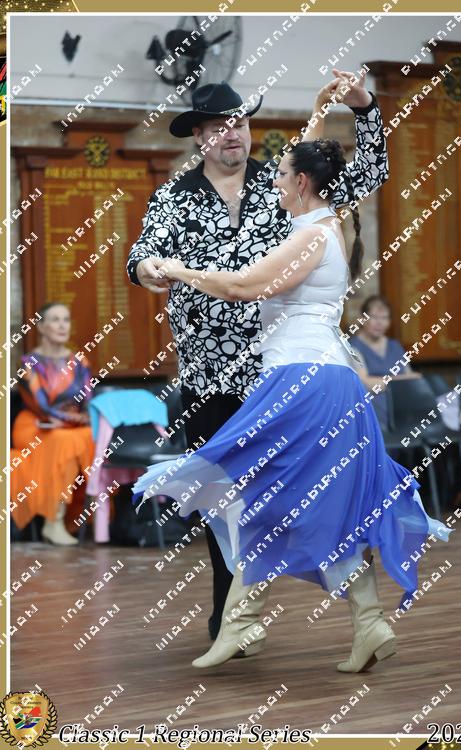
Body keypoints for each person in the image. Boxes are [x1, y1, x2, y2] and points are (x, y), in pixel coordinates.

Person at [132, 138, 451, 673]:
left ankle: (240, 621)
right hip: (324, 379)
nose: (273, 181)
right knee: (317, 502)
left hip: (306, 380)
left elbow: (241, 286)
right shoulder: (323, 227)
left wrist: (179, 270)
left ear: (301, 182)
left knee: (264, 492)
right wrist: (321, 111)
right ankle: (368, 621)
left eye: (280, 174)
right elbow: (309, 158)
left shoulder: (311, 236)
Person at [126, 73, 390, 646]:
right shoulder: (173, 196)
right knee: (221, 498)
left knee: (310, 491)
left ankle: (355, 614)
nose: (233, 134)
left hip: (277, 375)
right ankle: (233, 619)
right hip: (207, 377)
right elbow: (143, 255)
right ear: (199, 137)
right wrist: (146, 268)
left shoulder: (285, 184)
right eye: (219, 126)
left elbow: (367, 174)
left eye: (240, 123)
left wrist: (365, 107)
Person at [10, 302, 95, 544]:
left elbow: (87, 402)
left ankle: (73, 520)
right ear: (41, 326)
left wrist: (79, 419)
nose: (62, 325)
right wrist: (73, 419)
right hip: (35, 425)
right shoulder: (28, 363)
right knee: (64, 440)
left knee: (85, 437)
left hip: (69, 427)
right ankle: (53, 520)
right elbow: (41, 406)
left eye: (66, 320)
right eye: (55, 320)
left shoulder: (80, 361)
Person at [351, 295, 422, 430]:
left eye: (384, 318)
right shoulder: (353, 347)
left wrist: (384, 382)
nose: (379, 323)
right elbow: (366, 384)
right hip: (372, 414)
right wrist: (401, 380)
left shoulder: (395, 346)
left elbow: (412, 382)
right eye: (374, 317)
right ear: (363, 319)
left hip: (403, 413)